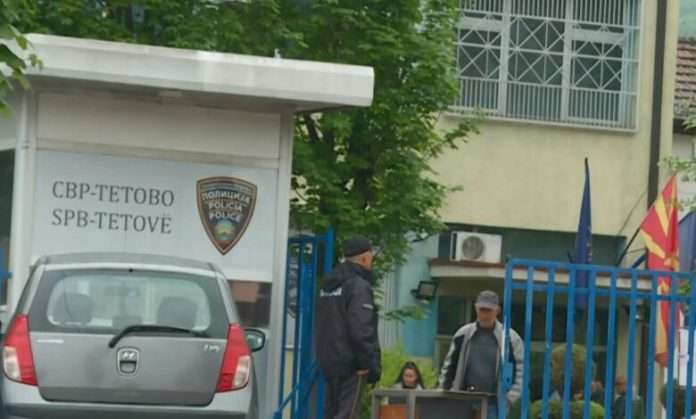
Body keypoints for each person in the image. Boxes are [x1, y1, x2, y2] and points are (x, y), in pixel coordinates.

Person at [316, 235, 381, 419]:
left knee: (331, 414)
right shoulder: (358, 286)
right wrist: (369, 364)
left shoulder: (328, 286)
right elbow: (361, 329)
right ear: (365, 258)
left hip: (329, 362)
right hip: (352, 365)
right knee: (348, 415)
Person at [438, 290, 524, 419]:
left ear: (497, 311)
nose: (485, 314)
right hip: (462, 400)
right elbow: (449, 366)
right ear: (476, 308)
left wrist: (511, 397)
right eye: (482, 309)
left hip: (494, 403)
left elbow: (520, 369)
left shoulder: (510, 338)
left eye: (489, 310)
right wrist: (444, 392)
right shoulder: (463, 334)